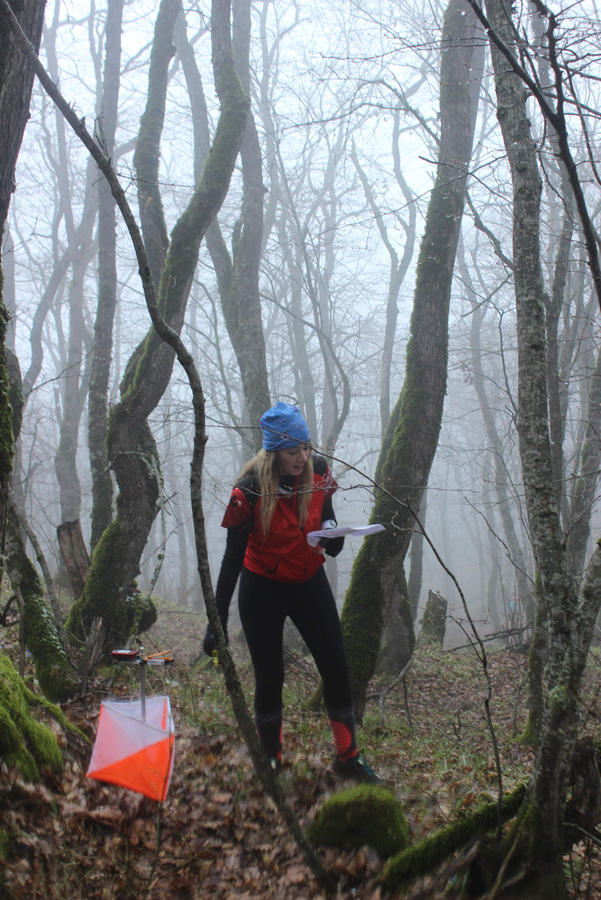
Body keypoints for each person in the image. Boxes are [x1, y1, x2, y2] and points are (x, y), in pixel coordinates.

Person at [203, 401, 383, 784]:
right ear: (274, 453)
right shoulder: (249, 490)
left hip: (306, 580)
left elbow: (327, 514)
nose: (302, 457)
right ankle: (271, 760)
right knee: (270, 676)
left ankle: (348, 757)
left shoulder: (318, 470)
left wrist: (333, 536)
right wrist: (215, 621)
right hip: (262, 587)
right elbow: (231, 560)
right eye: (292, 451)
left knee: (336, 666)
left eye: (305, 447)